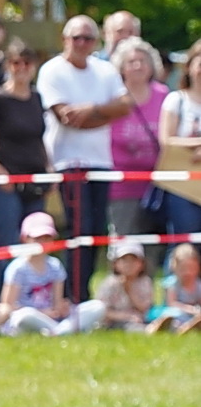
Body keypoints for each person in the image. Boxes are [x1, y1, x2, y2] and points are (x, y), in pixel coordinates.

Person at [38, 15, 130, 296]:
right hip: (69, 162)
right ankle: (73, 295)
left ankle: (82, 291)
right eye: (76, 37)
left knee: (97, 232)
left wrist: (90, 109)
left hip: (100, 161)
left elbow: (125, 105)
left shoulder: (105, 70)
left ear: (96, 41)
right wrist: (104, 112)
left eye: (87, 38)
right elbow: (65, 117)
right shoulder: (52, 70)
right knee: (80, 229)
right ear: (65, 39)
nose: (81, 43)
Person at [0, 40, 49, 292]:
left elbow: (39, 138)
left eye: (27, 63)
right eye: (16, 62)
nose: (21, 68)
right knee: (6, 239)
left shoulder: (37, 98)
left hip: (35, 179)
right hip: (6, 179)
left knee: (36, 238)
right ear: (8, 66)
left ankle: (30, 294)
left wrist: (49, 170)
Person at [106, 37, 168, 266]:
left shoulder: (164, 96)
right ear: (121, 67)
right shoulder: (112, 98)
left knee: (153, 243)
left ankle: (147, 293)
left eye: (143, 60)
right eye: (132, 61)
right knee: (123, 242)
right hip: (121, 183)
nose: (138, 66)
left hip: (156, 185)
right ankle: (121, 295)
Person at [0, 212, 103, 335]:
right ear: (25, 238)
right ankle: (63, 331)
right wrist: (42, 313)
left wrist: (61, 308)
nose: (43, 242)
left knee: (97, 306)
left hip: (52, 318)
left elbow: (56, 302)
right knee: (24, 316)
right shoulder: (17, 268)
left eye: (47, 238)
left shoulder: (55, 266)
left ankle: (58, 331)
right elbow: (7, 306)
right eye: (37, 238)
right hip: (28, 316)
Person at [157, 38, 201, 242]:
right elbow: (166, 140)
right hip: (181, 186)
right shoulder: (176, 100)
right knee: (184, 243)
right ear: (190, 67)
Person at [97, 240, 154, 331]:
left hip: (140, 319)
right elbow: (102, 311)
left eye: (133, 260)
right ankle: (150, 331)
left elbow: (145, 308)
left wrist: (129, 290)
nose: (129, 265)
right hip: (116, 321)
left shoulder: (145, 282)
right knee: (133, 328)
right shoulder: (110, 283)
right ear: (115, 264)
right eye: (124, 260)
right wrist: (125, 316)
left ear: (142, 264)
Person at [147, 243, 201, 334]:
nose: (187, 272)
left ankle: (189, 327)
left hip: (191, 314)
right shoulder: (172, 283)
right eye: (183, 268)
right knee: (174, 316)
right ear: (175, 267)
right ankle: (162, 328)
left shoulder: (198, 284)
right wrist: (188, 309)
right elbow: (171, 303)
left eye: (191, 268)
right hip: (174, 312)